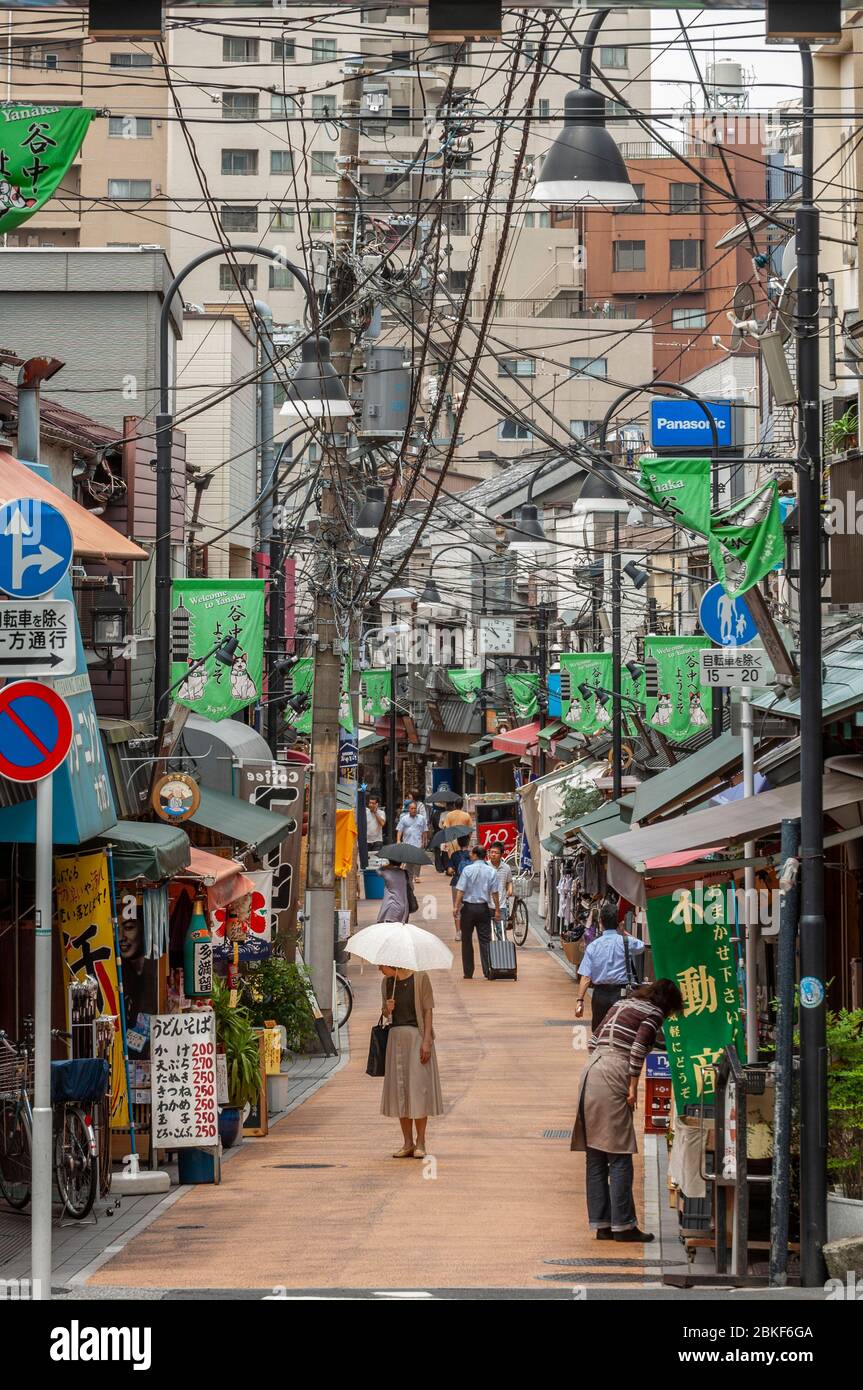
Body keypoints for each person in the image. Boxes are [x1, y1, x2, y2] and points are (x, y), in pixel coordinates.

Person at [571, 979, 683, 1242]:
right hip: (614, 1073)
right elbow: (637, 1049)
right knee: (619, 1154)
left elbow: (594, 1039)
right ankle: (624, 1226)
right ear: (668, 1005)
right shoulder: (653, 1013)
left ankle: (602, 1224)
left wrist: (602, 1059)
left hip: (591, 1071)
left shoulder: (622, 1003)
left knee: (595, 1154)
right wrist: (632, 1085)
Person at [379, 965, 443, 1159]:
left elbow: (428, 1010)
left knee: (418, 1090)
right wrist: (386, 1010)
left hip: (417, 1038)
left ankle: (421, 1141)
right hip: (395, 1040)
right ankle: (407, 1142)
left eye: (381, 965)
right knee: (400, 1092)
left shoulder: (420, 978)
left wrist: (427, 1041)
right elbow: (386, 1015)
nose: (380, 969)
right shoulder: (387, 983)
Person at [575, 901, 646, 1033]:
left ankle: (598, 1052)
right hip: (622, 994)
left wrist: (580, 1000)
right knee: (620, 1031)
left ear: (601, 922)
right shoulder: (626, 942)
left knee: (598, 1031)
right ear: (618, 922)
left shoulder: (593, 946)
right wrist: (624, 932)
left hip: (600, 995)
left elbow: (585, 977)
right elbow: (641, 946)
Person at [453, 845, 501, 980]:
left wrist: (456, 907)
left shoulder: (467, 870)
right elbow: (495, 892)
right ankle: (487, 971)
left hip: (468, 908)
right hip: (483, 908)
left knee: (466, 940)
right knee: (485, 941)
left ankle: (468, 972)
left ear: (474, 855)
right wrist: (497, 909)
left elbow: (460, 890)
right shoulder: (491, 871)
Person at [447, 839, 472, 943]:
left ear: (458, 842)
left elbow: (449, 870)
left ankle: (458, 932)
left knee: (457, 907)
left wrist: (453, 869)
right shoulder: (472, 854)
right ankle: (467, 930)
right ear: (468, 842)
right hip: (470, 884)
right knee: (469, 907)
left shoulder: (454, 855)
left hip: (456, 882)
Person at [396, 800, 427, 880]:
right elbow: (400, 830)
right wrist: (398, 840)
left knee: (417, 862)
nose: (413, 810)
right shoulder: (404, 819)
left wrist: (424, 841)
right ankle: (409, 876)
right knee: (409, 861)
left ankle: (416, 876)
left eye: (415, 808)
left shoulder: (421, 818)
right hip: (407, 843)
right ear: (409, 809)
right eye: (412, 808)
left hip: (418, 843)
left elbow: (424, 831)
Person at [487, 844, 513, 931]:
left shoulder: (506, 868)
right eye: (491, 852)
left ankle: (501, 944)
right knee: (487, 931)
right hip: (487, 904)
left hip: (501, 904)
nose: (493, 854)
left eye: (496, 853)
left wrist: (510, 888)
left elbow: (509, 881)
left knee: (501, 931)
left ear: (502, 854)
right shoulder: (485, 866)